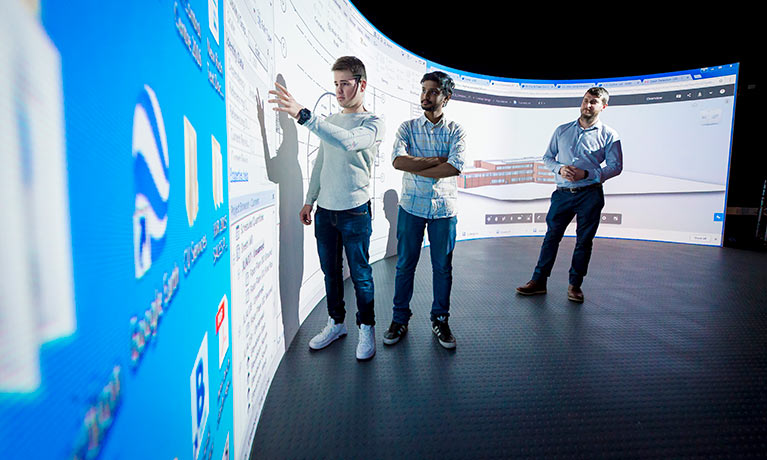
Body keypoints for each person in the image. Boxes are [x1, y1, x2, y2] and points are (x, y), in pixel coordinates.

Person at [268, 56, 384, 360]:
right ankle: (336, 323)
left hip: (355, 211)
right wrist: (309, 199)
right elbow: (320, 163)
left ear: (362, 84)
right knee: (330, 273)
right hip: (325, 213)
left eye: (345, 83)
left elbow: (347, 142)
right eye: (335, 84)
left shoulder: (372, 123)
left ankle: (366, 327)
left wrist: (304, 115)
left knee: (360, 274)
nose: (339, 91)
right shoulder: (329, 121)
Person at [516, 87, 623, 303]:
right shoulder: (562, 130)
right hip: (562, 193)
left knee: (584, 241)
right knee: (551, 238)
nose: (587, 105)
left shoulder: (610, 135)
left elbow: (616, 166)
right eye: (585, 100)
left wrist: (588, 174)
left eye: (593, 101)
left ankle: (575, 285)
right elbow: (547, 157)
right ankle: (538, 281)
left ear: (603, 106)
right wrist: (560, 169)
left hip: (590, 195)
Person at [383, 71, 466, 349]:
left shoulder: (456, 131)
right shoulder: (407, 127)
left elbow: (454, 167)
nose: (425, 96)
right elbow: (398, 162)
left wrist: (419, 164)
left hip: (444, 210)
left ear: (446, 97)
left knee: (443, 268)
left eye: (432, 91)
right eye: (423, 90)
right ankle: (399, 319)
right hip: (411, 207)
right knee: (405, 265)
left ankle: (440, 319)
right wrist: (436, 162)